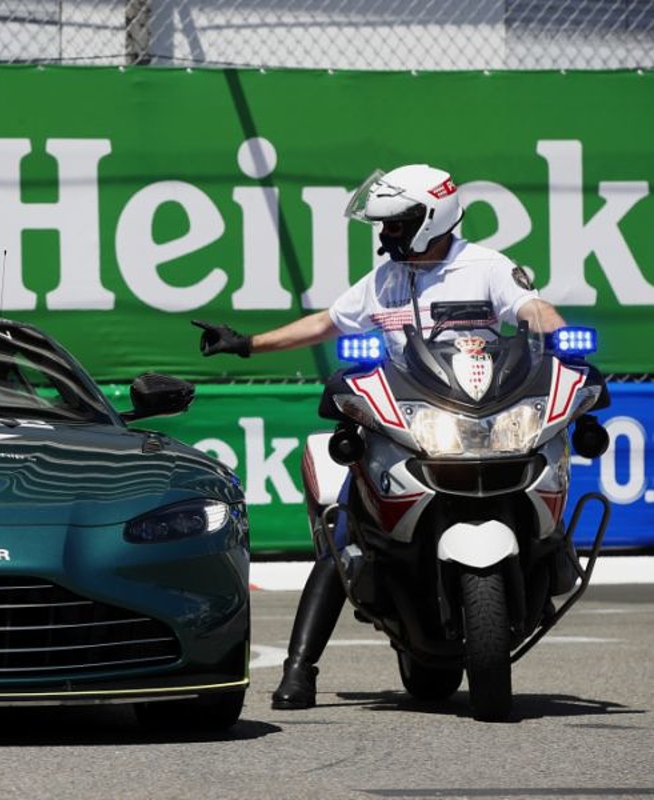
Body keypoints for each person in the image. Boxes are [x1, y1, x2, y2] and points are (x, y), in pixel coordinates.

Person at [192, 163, 567, 710]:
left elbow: (532, 309)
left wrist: (560, 337)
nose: (386, 234)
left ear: (430, 217)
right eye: (386, 224)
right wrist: (247, 343)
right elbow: (327, 323)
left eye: (397, 223)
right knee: (344, 525)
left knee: (547, 459)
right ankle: (301, 668)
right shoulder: (385, 281)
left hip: (480, 420)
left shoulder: (485, 266)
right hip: (408, 423)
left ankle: (548, 558)